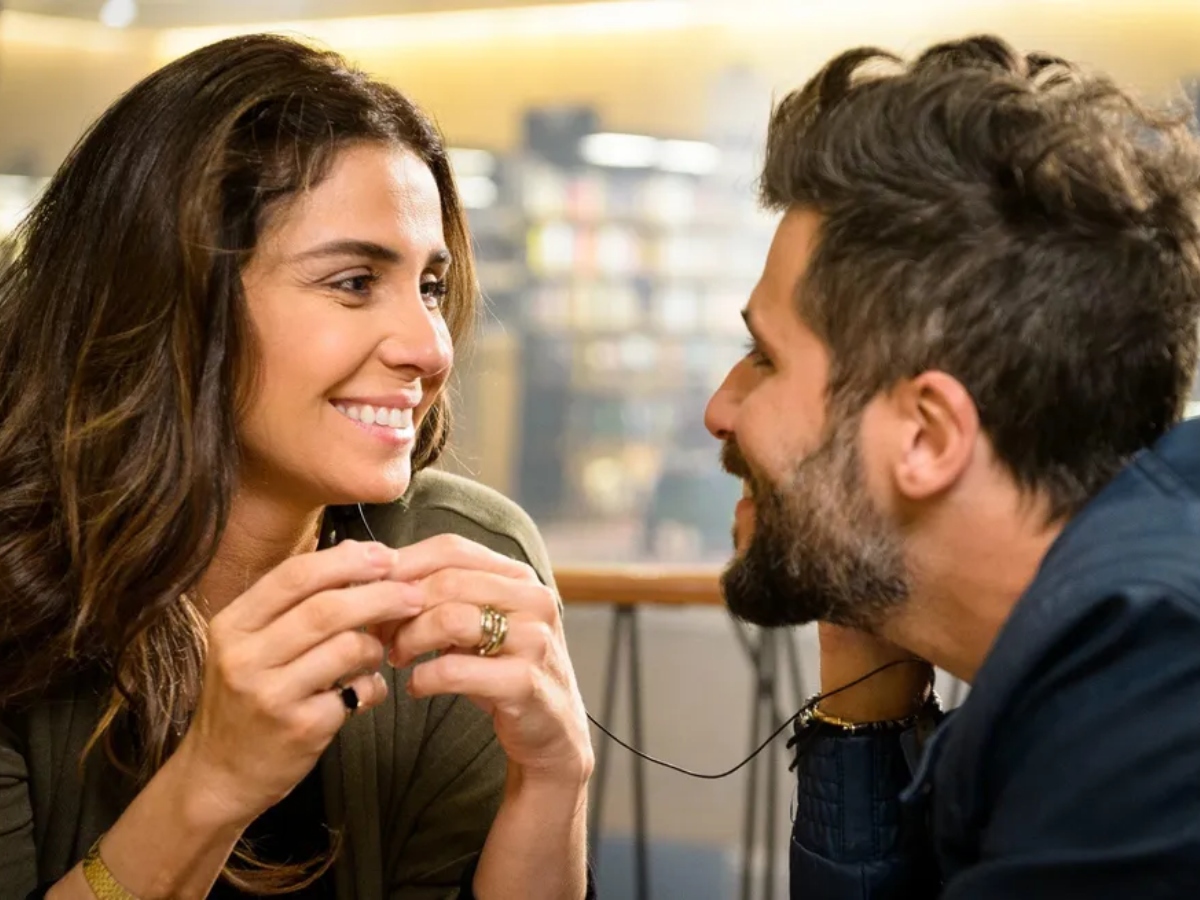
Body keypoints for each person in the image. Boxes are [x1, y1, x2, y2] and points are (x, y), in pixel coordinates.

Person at [0, 35, 594, 900]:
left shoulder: (464, 556)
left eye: (430, 285)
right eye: (354, 282)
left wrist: (554, 780)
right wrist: (213, 784)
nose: (431, 347)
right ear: (174, 300)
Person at [704, 34, 1200, 899]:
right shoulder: (1091, 652)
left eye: (766, 358)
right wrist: (863, 620)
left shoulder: (1150, 700)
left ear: (929, 437)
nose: (721, 409)